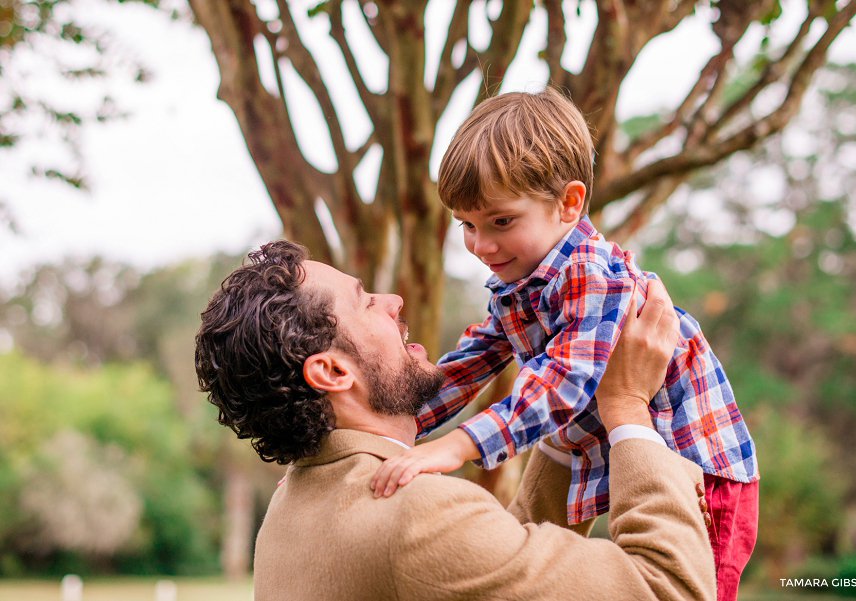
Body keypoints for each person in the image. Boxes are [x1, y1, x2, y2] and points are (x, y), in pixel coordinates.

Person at [371, 87, 759, 601]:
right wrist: (385, 438)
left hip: (700, 471)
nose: (481, 246)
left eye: (500, 222)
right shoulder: (524, 281)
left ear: (569, 203)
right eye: (467, 225)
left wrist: (456, 447)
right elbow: (468, 364)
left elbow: (563, 384)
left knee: (695, 589)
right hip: (610, 452)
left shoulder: (591, 275)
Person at [195, 240, 715, 601]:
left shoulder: (294, 506)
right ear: (332, 370)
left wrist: (568, 428)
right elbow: (668, 590)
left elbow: (493, 571)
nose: (394, 300)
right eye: (365, 301)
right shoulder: (415, 517)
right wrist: (626, 408)